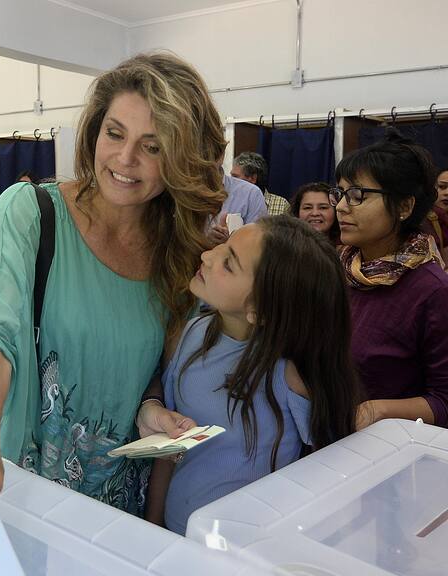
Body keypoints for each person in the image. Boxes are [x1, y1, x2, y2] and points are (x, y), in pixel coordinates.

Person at [0, 52, 229, 523]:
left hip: (117, 510)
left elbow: (150, 365)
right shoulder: (31, 212)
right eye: (115, 133)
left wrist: (150, 406)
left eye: (152, 147)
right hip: (18, 487)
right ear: (95, 130)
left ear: (180, 159)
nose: (125, 159)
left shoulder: (178, 252)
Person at [144, 216, 360, 534]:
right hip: (178, 533)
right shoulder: (188, 333)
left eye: (228, 263)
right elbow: (171, 447)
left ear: (260, 309)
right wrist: (152, 525)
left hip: (249, 549)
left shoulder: (291, 374)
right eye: (223, 246)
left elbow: (330, 474)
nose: (206, 255)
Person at [332, 131, 448, 429]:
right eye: (340, 193)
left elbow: (443, 400)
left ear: (404, 207)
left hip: (385, 452)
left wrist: (377, 411)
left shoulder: (431, 290)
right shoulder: (339, 266)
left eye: (358, 195)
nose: (341, 207)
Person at [208, 168, 267, 245]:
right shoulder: (187, 192)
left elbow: (257, 247)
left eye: (235, 175)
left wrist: (229, 244)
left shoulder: (251, 194)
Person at [231, 152, 291, 216]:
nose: (231, 180)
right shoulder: (229, 202)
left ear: (253, 178)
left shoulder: (281, 205)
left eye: (235, 176)